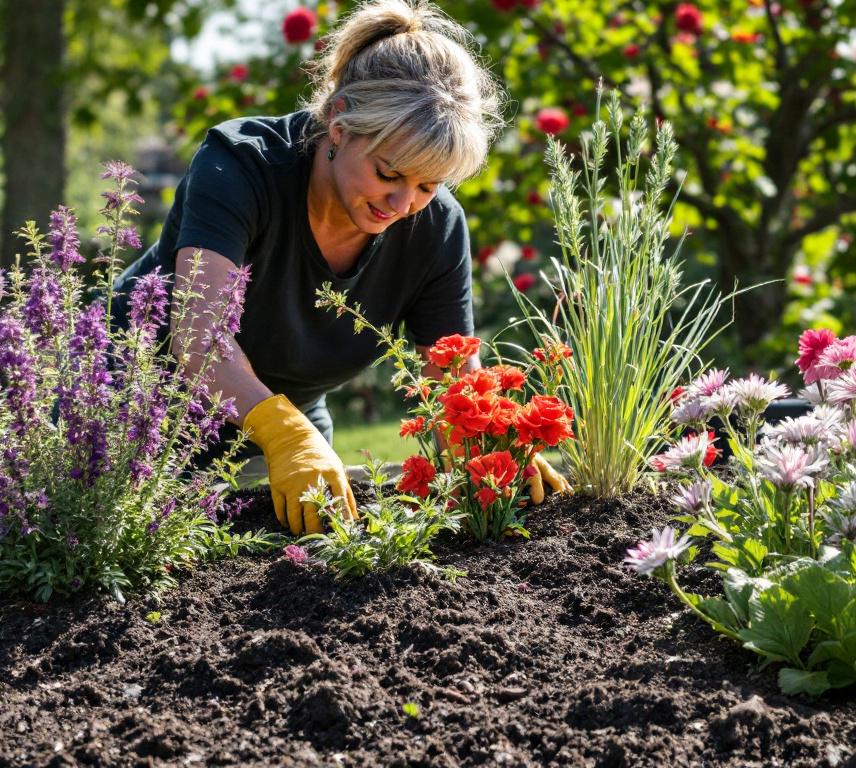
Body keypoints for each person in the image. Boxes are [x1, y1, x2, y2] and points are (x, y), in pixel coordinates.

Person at [111, 0, 569, 536]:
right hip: (131, 416)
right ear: (338, 122)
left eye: (428, 185)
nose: (402, 204)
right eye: (389, 172)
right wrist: (284, 434)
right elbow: (198, 338)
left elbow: (450, 377)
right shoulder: (239, 166)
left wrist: (488, 443)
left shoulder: (436, 227)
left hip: (292, 428)